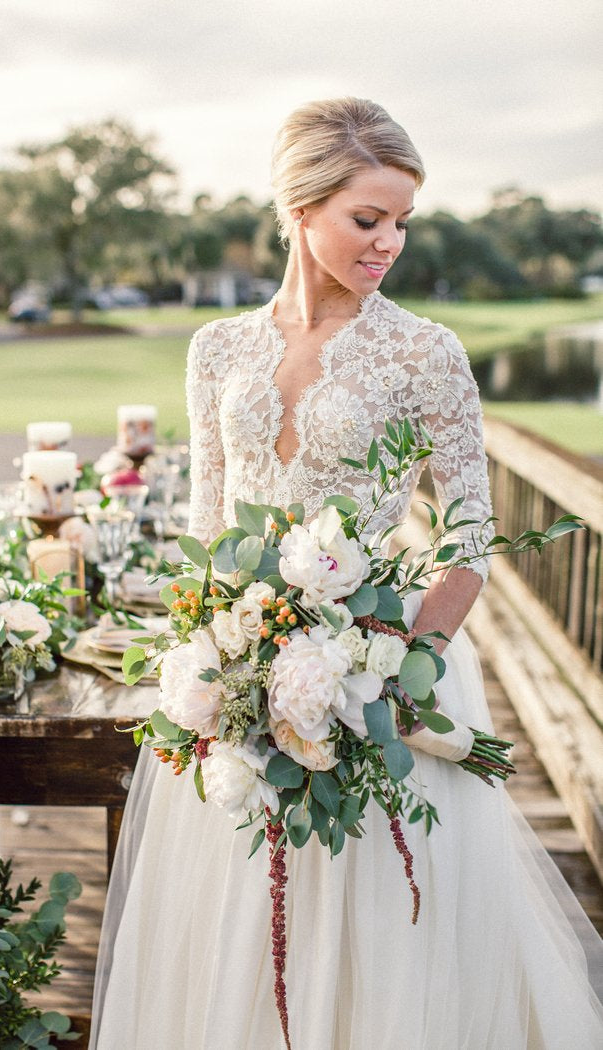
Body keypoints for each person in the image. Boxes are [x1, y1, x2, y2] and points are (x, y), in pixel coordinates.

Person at [89, 98, 603, 1049]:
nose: (389, 243)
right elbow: (207, 529)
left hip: (383, 677)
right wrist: (211, 658)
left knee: (382, 939)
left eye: (402, 221)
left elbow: (466, 539)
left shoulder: (425, 354)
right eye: (368, 219)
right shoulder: (217, 351)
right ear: (300, 208)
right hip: (241, 679)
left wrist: (396, 665)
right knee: (237, 932)